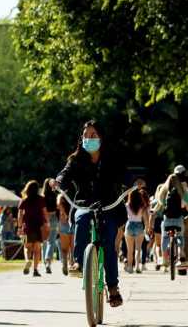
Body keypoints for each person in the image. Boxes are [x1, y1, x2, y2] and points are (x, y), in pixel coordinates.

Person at [49, 120, 127, 308]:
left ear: (101, 137)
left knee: (108, 242)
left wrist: (136, 182)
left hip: (108, 205)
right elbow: (64, 174)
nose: (88, 139)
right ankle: (78, 263)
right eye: (85, 136)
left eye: (93, 135)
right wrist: (58, 181)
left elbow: (125, 175)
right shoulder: (75, 160)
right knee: (81, 220)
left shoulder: (111, 158)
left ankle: (113, 287)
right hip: (84, 204)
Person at [150, 173, 188, 271]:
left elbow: (158, 205)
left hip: (167, 220)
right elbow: (186, 205)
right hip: (178, 220)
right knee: (180, 236)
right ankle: (181, 255)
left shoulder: (164, 191)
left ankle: (164, 259)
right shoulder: (182, 192)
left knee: (164, 238)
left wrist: (154, 211)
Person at [17, 180, 48, 277]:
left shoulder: (24, 200)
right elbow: (44, 212)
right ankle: (35, 270)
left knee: (27, 248)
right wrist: (47, 222)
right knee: (37, 249)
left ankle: (27, 261)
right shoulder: (41, 199)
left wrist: (19, 226)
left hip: (28, 227)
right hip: (39, 226)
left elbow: (20, 214)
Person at [124, 187, 149, 274]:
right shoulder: (142, 206)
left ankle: (130, 267)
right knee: (138, 248)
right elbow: (146, 219)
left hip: (129, 225)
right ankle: (138, 266)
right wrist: (147, 228)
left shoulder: (127, 205)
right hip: (139, 225)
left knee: (129, 249)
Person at [41, 178, 59, 274]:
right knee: (51, 242)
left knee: (44, 242)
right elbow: (57, 208)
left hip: (44, 219)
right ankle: (48, 261)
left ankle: (45, 263)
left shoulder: (42, 197)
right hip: (53, 218)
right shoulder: (54, 195)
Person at [57, 192, 74, 275]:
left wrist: (64, 214)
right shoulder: (74, 194)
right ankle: (72, 264)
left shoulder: (60, 196)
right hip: (73, 222)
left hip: (63, 222)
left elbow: (58, 206)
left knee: (64, 249)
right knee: (72, 246)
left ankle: (64, 264)